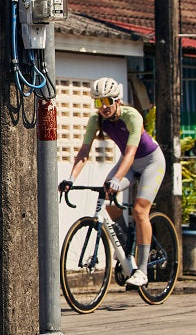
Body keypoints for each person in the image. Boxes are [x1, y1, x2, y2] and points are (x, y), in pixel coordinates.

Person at [59, 76, 165, 287]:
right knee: (106, 199)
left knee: (140, 210)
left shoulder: (131, 116)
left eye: (107, 101)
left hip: (151, 162)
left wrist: (117, 179)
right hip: (130, 163)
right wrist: (71, 178)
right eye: (98, 102)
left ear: (117, 100)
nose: (103, 107)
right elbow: (84, 152)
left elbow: (131, 153)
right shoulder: (96, 120)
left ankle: (142, 271)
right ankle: (126, 247)